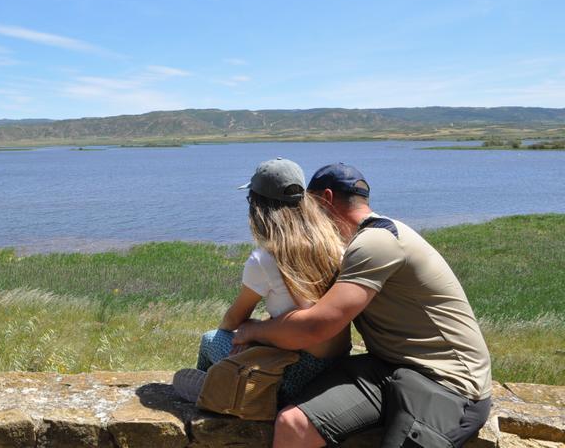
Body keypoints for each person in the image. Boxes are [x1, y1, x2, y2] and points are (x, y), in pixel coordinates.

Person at [232, 163, 492, 448]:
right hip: (387, 366)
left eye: (308, 203)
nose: (303, 214)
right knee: (293, 424)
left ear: (325, 199)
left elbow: (317, 326)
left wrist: (255, 330)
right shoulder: (360, 241)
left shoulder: (378, 242)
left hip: (446, 383)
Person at [174, 157, 350, 406]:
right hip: (336, 365)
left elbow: (233, 320)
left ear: (257, 205)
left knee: (210, 339)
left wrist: (247, 333)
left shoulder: (266, 257)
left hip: (293, 377)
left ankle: (213, 393)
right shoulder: (335, 245)